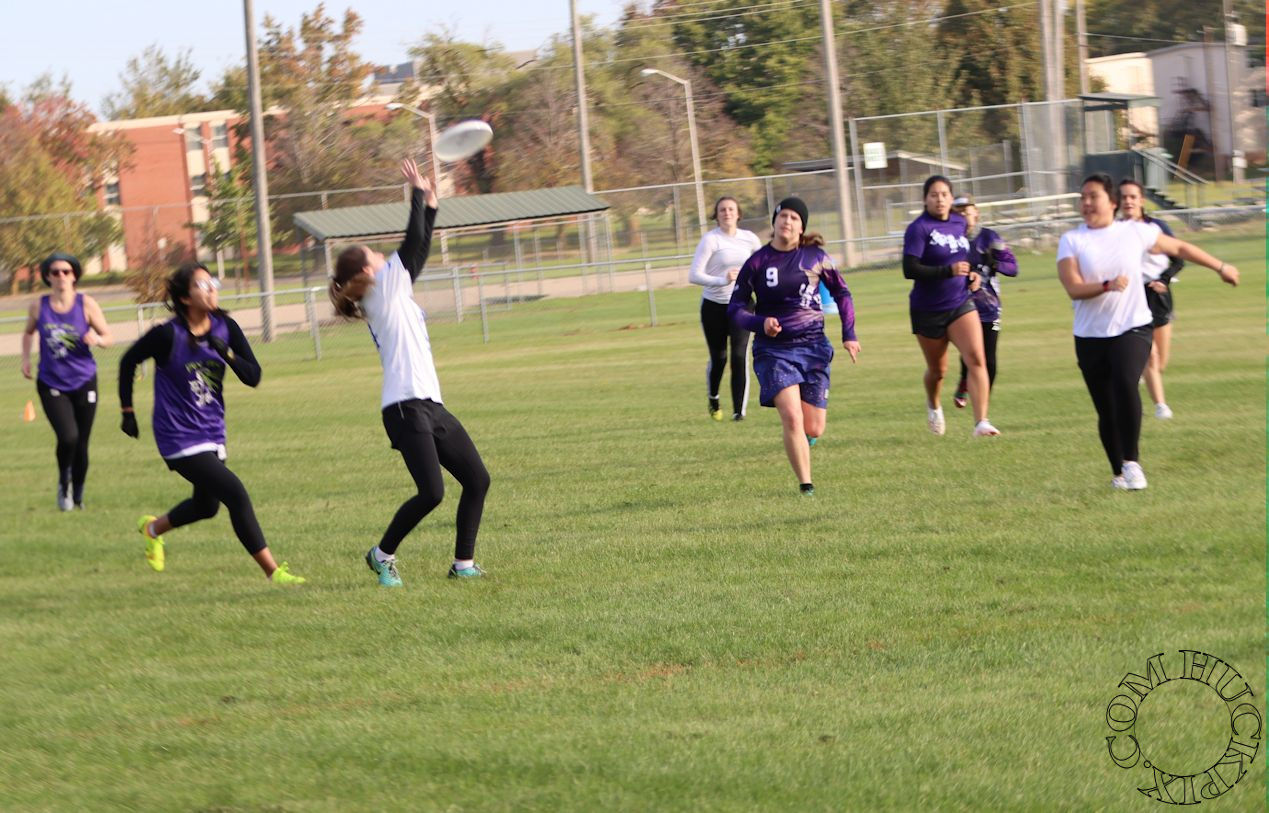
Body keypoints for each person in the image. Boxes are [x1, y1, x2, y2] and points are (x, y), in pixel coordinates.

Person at [329, 158, 490, 587]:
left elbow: (417, 252)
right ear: (367, 272)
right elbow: (412, 240)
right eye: (374, 256)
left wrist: (431, 205)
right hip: (404, 408)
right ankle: (381, 556)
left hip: (429, 404)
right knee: (432, 492)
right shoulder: (381, 293)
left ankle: (463, 564)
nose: (382, 257)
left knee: (477, 479)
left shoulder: (392, 289)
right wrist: (417, 193)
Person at [117, 262, 305, 584]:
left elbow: (253, 376)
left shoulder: (226, 327)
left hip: (212, 430)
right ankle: (273, 572)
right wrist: (127, 411)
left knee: (206, 506)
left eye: (212, 283)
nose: (212, 289)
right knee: (236, 494)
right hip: (177, 435)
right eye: (202, 285)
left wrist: (228, 354)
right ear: (185, 298)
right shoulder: (167, 335)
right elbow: (128, 360)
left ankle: (152, 529)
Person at [1057, 173, 1238, 490]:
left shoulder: (1135, 232)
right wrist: (1106, 286)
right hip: (1089, 335)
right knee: (1106, 409)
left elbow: (1179, 247)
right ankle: (1118, 472)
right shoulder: (1072, 240)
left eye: (1093, 196)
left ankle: (1132, 462)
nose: (1086, 203)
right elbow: (1073, 287)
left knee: (1126, 382)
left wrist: (1220, 267)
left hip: (1133, 326)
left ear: (1112, 202)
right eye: (1082, 197)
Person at [728, 196, 860, 496]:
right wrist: (760, 323)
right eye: (783, 216)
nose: (787, 221)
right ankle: (806, 486)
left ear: (801, 227)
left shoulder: (816, 257)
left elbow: (842, 294)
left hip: (813, 348)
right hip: (773, 351)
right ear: (774, 221)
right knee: (791, 416)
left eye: (794, 218)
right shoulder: (757, 262)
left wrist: (849, 334)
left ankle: (804, 441)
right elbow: (735, 308)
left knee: (814, 428)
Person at [902, 176, 998, 437]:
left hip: (960, 302)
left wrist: (971, 273)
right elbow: (910, 269)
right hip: (928, 309)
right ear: (925, 199)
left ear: (951, 198)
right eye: (934, 195)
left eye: (944, 194)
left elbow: (961, 255)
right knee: (938, 371)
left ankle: (981, 422)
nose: (940, 199)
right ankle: (934, 405)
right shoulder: (919, 228)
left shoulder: (959, 222)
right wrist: (948, 271)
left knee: (976, 358)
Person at [21, 252, 112, 510]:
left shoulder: (86, 304)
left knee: (82, 443)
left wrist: (98, 340)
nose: (61, 276)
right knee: (68, 436)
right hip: (51, 382)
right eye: (55, 272)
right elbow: (28, 333)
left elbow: (108, 337)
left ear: (74, 276)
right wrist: (26, 359)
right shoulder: (39, 306)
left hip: (84, 380)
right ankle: (64, 482)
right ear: (48, 277)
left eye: (66, 271)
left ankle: (78, 495)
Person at [688, 197, 762, 421]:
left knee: (739, 356)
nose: (727, 213)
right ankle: (713, 397)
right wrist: (722, 280)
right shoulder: (711, 240)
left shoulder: (750, 239)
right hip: (714, 307)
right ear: (716, 215)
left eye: (731, 209)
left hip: (741, 306)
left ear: (738, 213)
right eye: (722, 210)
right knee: (719, 358)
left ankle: (739, 412)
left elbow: (763, 268)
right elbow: (694, 275)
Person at [1118, 179, 1183, 419]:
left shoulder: (1157, 227)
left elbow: (1179, 258)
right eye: (1123, 197)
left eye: (1133, 197)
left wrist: (1164, 279)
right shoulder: (1113, 230)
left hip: (1157, 296)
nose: (1128, 201)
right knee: (1151, 355)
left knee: (1160, 362)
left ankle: (1142, 379)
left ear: (1141, 200)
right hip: (1130, 297)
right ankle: (1161, 406)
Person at [949, 195, 1018, 409]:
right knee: (970, 352)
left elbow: (1013, 268)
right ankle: (964, 380)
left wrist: (995, 263)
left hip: (989, 307)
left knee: (989, 359)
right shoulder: (949, 241)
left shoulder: (989, 237)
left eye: (966, 211)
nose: (963, 216)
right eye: (958, 212)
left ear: (976, 214)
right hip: (961, 306)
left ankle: (983, 401)